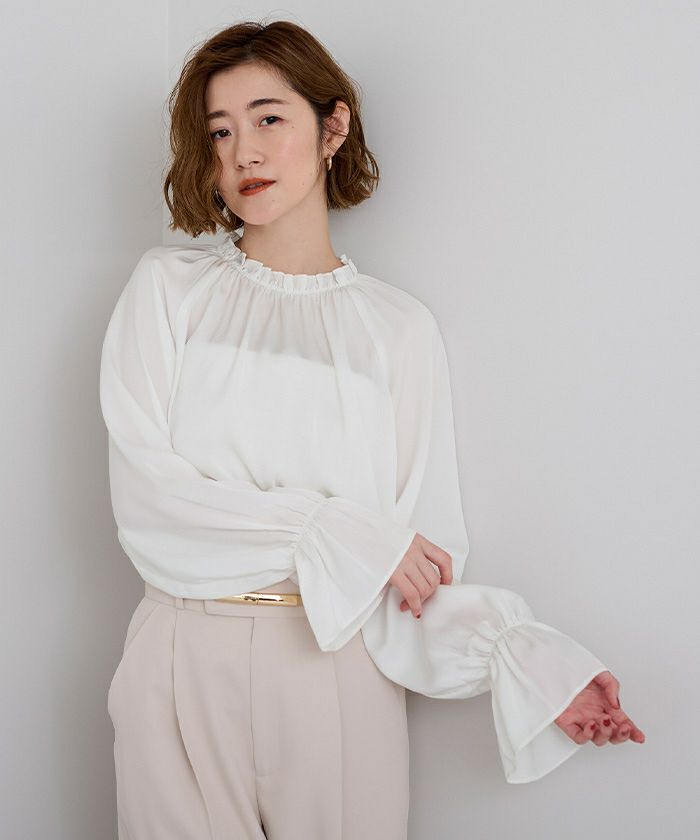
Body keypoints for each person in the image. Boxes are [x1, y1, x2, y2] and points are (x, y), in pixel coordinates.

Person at [99, 18, 645, 840]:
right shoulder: (167, 291)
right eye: (220, 131)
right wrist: (332, 531)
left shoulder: (397, 330)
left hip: (336, 663)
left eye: (268, 118)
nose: (244, 151)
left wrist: (524, 664)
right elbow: (151, 505)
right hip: (178, 651)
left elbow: (415, 564)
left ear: (334, 128)